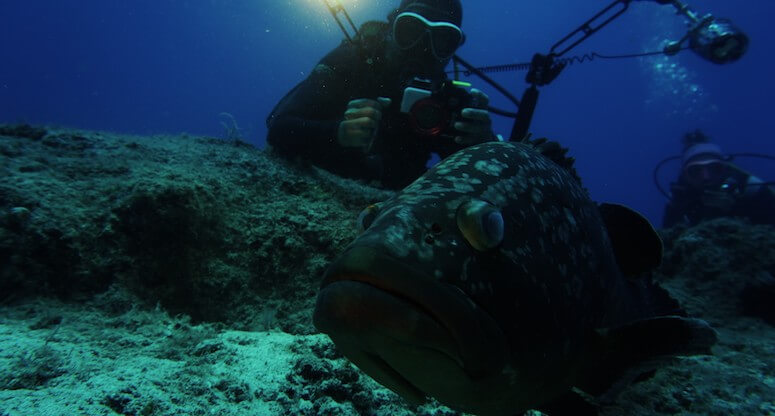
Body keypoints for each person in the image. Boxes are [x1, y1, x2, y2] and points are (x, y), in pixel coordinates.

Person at [266, 0, 495, 189]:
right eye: (410, 31)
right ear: (389, 30)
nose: (422, 49)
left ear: (453, 49)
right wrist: (337, 133)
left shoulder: (450, 105)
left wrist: (482, 146)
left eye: (442, 40)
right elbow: (279, 127)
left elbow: (483, 183)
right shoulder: (350, 64)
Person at [662, 130, 775, 228]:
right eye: (695, 171)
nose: (706, 177)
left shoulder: (749, 188)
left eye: (714, 169)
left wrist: (736, 208)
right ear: (685, 176)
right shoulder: (679, 198)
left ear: (725, 169)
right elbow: (668, 237)